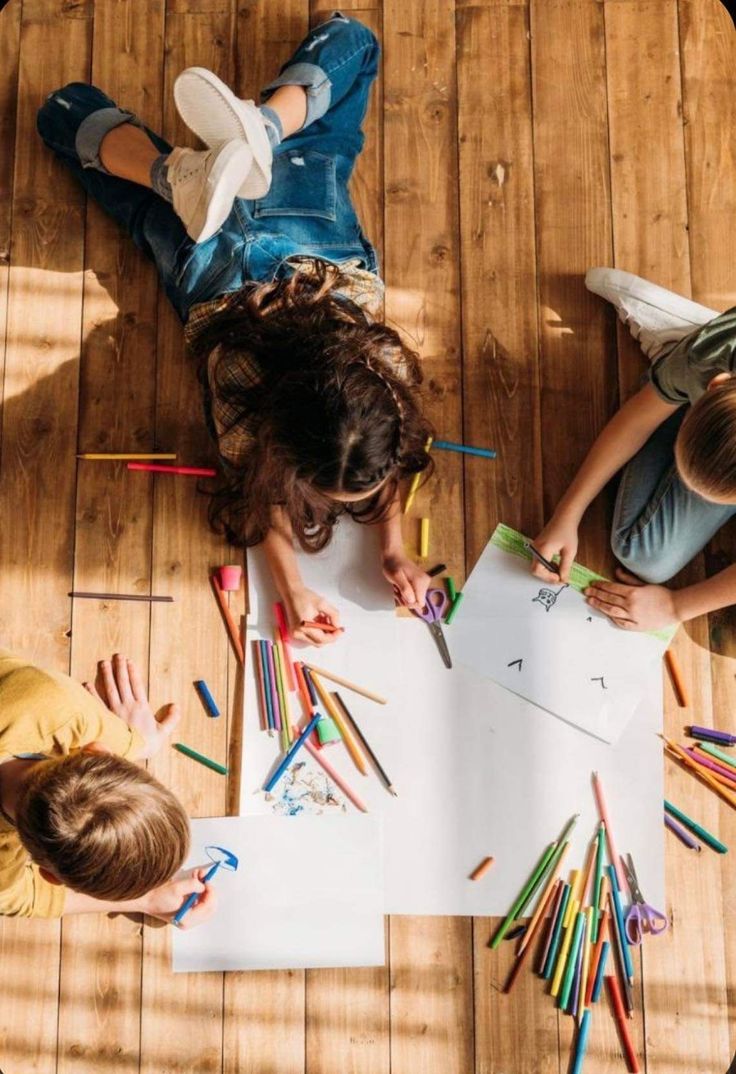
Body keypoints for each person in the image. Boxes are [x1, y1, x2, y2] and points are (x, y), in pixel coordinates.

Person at [37, 13, 434, 647]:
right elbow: (259, 488)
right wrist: (297, 585)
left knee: (353, 43)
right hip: (214, 263)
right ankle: (174, 176)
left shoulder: (387, 367)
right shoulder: (237, 388)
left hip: (314, 235)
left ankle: (263, 131)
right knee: (64, 115)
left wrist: (386, 552)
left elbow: (288, 474)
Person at [532, 266, 736, 632]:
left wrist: (676, 607)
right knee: (643, 554)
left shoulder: (716, 377)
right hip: (708, 359)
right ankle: (678, 350)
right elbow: (639, 419)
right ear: (716, 385)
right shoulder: (713, 359)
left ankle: (680, 357)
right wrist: (569, 511)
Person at [0, 649, 215, 925]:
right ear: (49, 876)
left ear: (98, 752)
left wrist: (142, 742)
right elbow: (13, 897)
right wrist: (145, 900)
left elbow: (132, 740)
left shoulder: (60, 706)